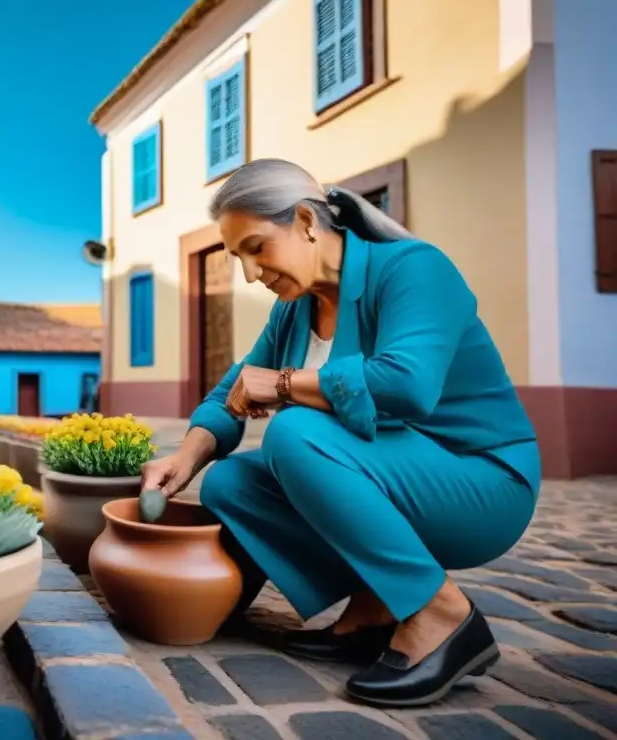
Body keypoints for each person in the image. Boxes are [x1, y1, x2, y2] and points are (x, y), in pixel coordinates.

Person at [140, 159, 539, 707]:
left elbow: (409, 383)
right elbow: (232, 391)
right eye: (238, 259)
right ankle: (374, 607)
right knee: (231, 481)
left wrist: (283, 385)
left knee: (296, 433)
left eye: (257, 248)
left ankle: (441, 613)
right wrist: (186, 459)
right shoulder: (296, 309)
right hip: (400, 473)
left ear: (306, 221)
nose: (251, 274)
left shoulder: (413, 269)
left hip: (483, 480)